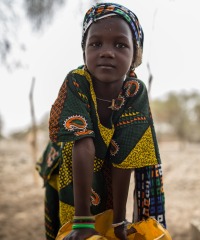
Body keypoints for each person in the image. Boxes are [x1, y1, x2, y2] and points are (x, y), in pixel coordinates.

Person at [37, 2, 167, 240]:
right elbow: (83, 143)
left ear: (135, 54)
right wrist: (82, 221)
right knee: (67, 228)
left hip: (106, 162)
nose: (107, 51)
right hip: (69, 167)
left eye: (120, 44)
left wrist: (119, 220)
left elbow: (124, 158)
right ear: (84, 51)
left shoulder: (134, 91)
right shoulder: (77, 81)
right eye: (96, 44)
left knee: (108, 221)